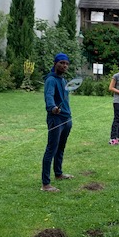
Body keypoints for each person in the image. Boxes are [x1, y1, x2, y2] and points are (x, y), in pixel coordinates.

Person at [41, 53, 75, 192]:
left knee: (61, 148)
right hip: (56, 118)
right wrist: (52, 108)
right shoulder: (51, 80)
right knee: (51, 149)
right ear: (55, 63)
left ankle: (59, 173)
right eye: (61, 63)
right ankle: (45, 184)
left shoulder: (62, 80)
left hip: (67, 118)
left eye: (66, 63)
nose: (64, 66)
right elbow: (49, 95)